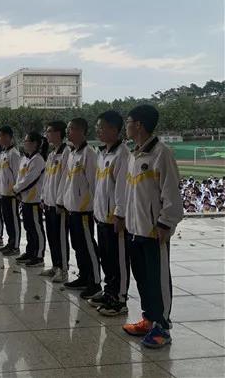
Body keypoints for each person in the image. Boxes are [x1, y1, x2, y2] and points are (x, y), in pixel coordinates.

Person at [122, 105, 183, 348]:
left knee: (158, 281)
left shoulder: (161, 154)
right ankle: (148, 319)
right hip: (134, 229)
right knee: (143, 279)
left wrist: (165, 223)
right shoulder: (134, 154)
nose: (126, 126)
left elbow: (171, 193)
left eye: (128, 121)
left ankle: (162, 327)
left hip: (154, 230)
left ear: (139, 125)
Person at [90, 111, 131, 316]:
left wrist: (119, 214)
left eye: (102, 127)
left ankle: (120, 299)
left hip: (114, 217)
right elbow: (100, 186)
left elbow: (122, 188)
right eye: (97, 127)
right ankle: (109, 292)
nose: (98, 130)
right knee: (106, 258)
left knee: (118, 260)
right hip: (101, 216)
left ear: (114, 129)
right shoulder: (102, 153)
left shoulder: (122, 154)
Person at [58, 117, 101, 300]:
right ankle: (83, 277)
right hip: (72, 209)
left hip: (84, 211)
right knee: (78, 245)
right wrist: (63, 202)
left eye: (71, 129)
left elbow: (94, 184)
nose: (68, 132)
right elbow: (68, 181)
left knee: (88, 246)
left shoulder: (88, 154)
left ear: (82, 131)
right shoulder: (73, 153)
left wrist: (95, 208)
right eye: (68, 129)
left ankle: (95, 282)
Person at [40, 121, 70, 283]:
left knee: (60, 238)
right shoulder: (52, 154)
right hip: (49, 202)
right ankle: (55, 265)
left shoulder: (66, 152)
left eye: (49, 131)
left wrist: (60, 201)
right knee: (52, 236)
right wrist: (43, 197)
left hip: (59, 205)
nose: (47, 134)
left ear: (59, 133)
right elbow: (47, 178)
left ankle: (63, 269)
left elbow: (65, 179)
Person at [14, 131, 48, 267]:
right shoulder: (24, 159)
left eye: (27, 141)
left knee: (36, 228)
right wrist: (18, 190)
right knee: (28, 227)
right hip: (25, 199)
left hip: (34, 200)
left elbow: (30, 180)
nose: (24, 143)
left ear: (34, 144)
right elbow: (20, 177)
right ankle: (30, 252)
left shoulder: (38, 160)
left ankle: (38, 256)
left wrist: (16, 189)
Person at [0, 126, 22, 256]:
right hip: (4, 193)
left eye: (0, 136)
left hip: (12, 194)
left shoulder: (14, 154)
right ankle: (10, 243)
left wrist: (17, 192)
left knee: (13, 220)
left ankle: (15, 246)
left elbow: (18, 175)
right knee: (7, 219)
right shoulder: (3, 153)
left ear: (7, 137)